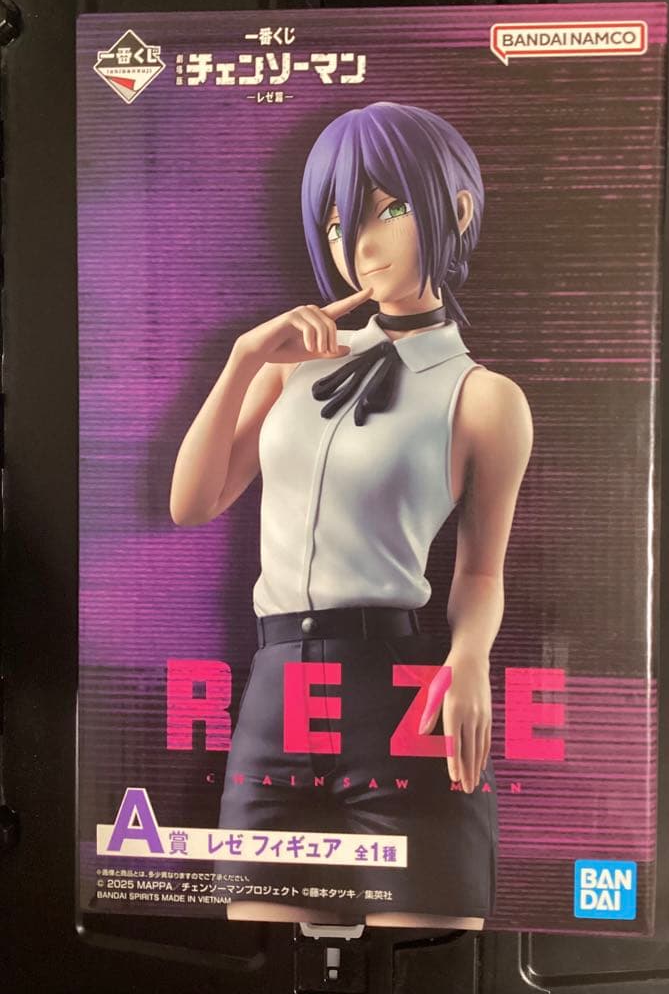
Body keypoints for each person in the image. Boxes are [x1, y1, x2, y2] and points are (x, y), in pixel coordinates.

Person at [169, 102, 533, 930]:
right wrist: (243, 358)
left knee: (427, 962)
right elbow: (191, 503)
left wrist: (470, 659)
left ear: (456, 210)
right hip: (276, 692)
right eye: (337, 222)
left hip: (396, 694)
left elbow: (480, 569)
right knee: (263, 961)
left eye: (386, 209)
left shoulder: (484, 399)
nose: (358, 244)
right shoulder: (290, 369)